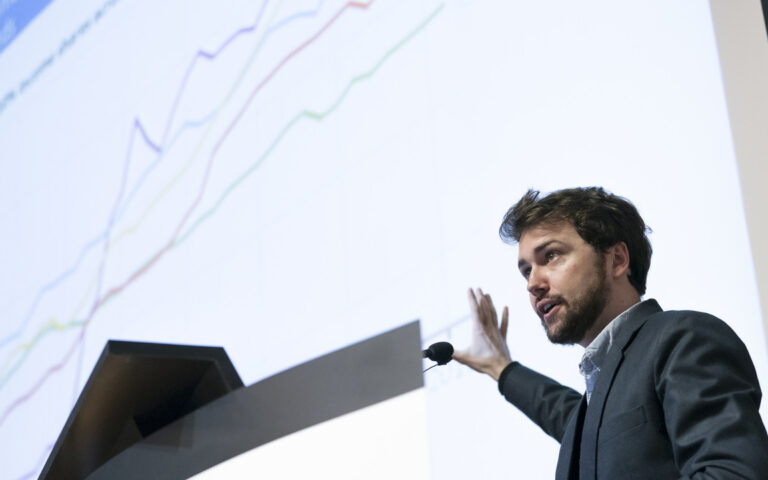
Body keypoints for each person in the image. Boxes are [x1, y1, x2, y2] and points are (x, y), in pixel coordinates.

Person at [452, 187, 768, 479]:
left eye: (551, 256)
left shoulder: (683, 339)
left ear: (617, 260)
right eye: (526, 271)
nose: (532, 284)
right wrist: (502, 368)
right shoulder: (594, 404)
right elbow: (568, 415)